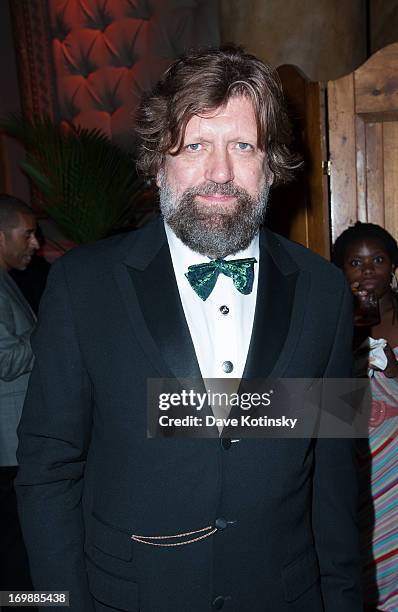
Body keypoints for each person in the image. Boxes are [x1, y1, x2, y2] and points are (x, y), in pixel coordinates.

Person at [16, 46, 362, 611]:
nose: (220, 173)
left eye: (243, 146)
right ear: (158, 162)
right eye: (196, 145)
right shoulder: (84, 286)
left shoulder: (323, 292)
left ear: (271, 164)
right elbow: (47, 473)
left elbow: (331, 482)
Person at [333, 222, 398, 612]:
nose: (368, 270)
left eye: (377, 259)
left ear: (392, 266)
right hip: (360, 470)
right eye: (355, 262)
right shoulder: (336, 322)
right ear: (341, 270)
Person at [0, 194, 39, 595]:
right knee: (13, 545)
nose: (34, 244)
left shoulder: (6, 280)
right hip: (6, 448)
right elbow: (5, 361)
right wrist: (51, 331)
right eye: (26, 234)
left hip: (12, 445)